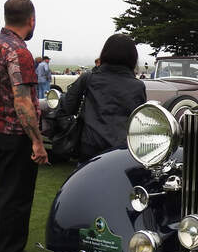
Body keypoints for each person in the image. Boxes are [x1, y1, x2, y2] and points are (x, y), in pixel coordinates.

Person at [0, 0, 48, 252]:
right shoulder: (19, 51)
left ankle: (7, 250)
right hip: (14, 133)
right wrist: (37, 142)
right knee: (16, 196)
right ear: (31, 20)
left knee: (7, 191)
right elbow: (22, 101)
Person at [62, 34, 147, 162]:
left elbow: (65, 108)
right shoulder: (138, 86)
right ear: (132, 57)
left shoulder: (89, 78)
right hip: (124, 150)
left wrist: (73, 132)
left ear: (105, 53)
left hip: (90, 147)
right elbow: (139, 123)